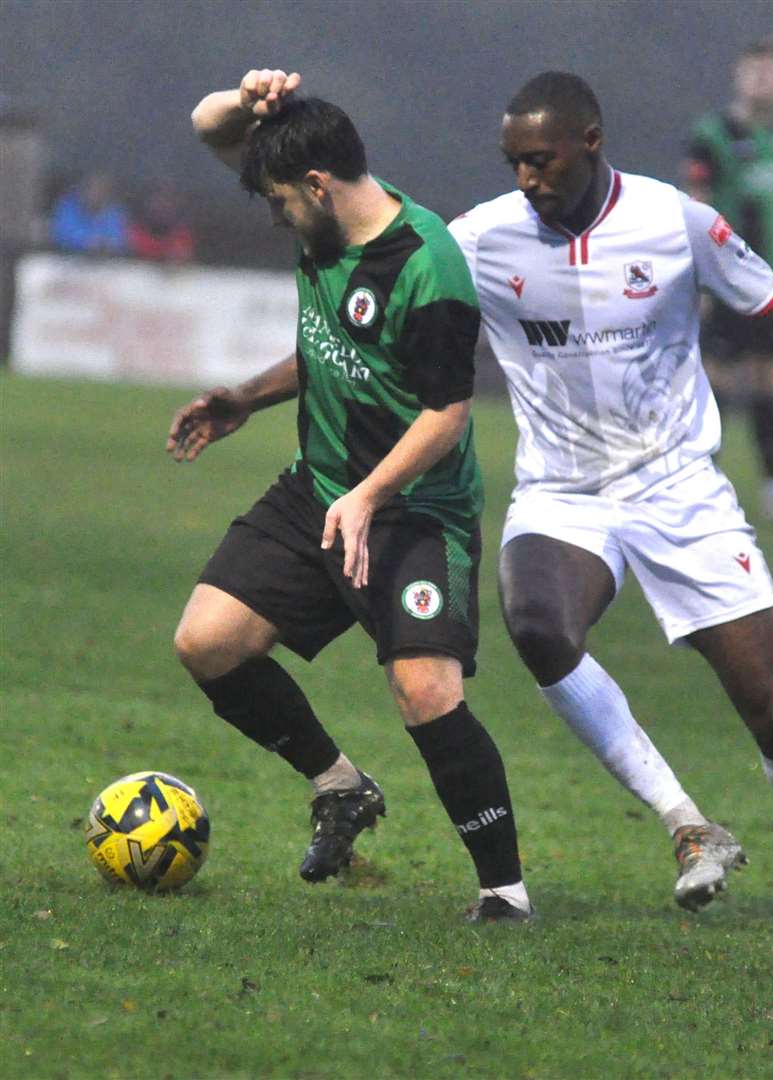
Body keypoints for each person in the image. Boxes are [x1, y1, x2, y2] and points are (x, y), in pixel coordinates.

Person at [448, 71, 773, 938]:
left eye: (540, 160)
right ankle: (688, 823)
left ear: (590, 141)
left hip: (678, 489)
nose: (525, 179)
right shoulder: (480, 238)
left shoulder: (674, 220)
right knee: (539, 627)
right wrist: (249, 394)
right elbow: (381, 290)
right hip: (561, 493)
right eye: (512, 163)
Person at [167, 69, 532, 922]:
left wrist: (369, 494)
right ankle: (341, 787)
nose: (275, 217)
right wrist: (244, 400)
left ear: (319, 186)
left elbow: (445, 415)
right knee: (208, 642)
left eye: (281, 203)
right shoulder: (325, 227)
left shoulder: (428, 266)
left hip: (414, 509)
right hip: (319, 491)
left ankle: (504, 891)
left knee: (426, 693)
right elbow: (207, 123)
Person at [685, 40, 773, 527]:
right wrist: (697, 277)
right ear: (739, 77)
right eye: (756, 72)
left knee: (772, 378)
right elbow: (695, 206)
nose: (765, 80)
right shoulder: (713, 134)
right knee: (717, 378)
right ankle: (701, 490)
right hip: (725, 281)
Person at [49, 171, 129, 254]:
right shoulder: (67, 207)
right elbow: (61, 233)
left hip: (106, 262)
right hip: (68, 258)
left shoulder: (114, 212)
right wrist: (87, 241)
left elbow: (120, 238)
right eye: (93, 188)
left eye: (102, 189)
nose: (97, 193)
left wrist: (107, 243)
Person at [129, 182, 195, 263]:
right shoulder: (136, 228)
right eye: (158, 201)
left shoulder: (181, 233)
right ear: (149, 203)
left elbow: (183, 255)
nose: (162, 205)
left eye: (167, 201)